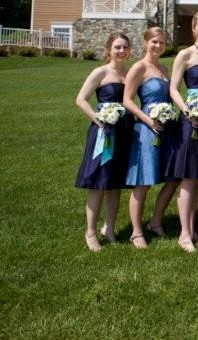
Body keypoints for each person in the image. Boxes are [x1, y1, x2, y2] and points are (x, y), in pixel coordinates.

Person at [162, 10, 198, 252]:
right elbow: (174, 89)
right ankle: (184, 234)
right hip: (191, 119)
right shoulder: (185, 55)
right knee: (188, 175)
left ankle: (192, 227)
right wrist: (187, 110)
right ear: (193, 29)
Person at [74, 32, 132, 251]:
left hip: (125, 131)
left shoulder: (129, 73)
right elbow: (80, 99)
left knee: (115, 183)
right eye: (117, 47)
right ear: (109, 49)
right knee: (99, 182)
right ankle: (90, 232)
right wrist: (99, 119)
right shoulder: (100, 72)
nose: (121, 51)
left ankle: (109, 228)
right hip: (104, 133)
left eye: (124, 47)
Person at [123, 27, 173, 249]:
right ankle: (136, 231)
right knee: (143, 181)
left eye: (161, 42)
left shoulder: (163, 68)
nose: (158, 46)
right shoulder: (139, 67)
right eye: (154, 42)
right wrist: (147, 120)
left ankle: (156, 221)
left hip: (167, 128)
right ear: (146, 43)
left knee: (173, 178)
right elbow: (127, 99)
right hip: (147, 129)